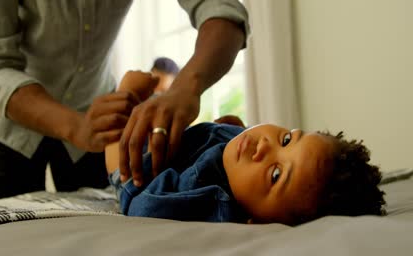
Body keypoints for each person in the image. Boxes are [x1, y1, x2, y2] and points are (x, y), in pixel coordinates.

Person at [0, 0, 249, 198]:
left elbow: (221, 6)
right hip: (3, 119)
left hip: (96, 109)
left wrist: (186, 86)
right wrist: (77, 126)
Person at [106, 71, 386, 225]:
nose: (264, 145)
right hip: (181, 146)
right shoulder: (242, 165)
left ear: (259, 222)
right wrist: (228, 131)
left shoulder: (211, 200)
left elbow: (142, 205)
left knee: (115, 128)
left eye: (276, 175)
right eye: (287, 139)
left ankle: (124, 92)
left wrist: (126, 96)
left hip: (140, 172)